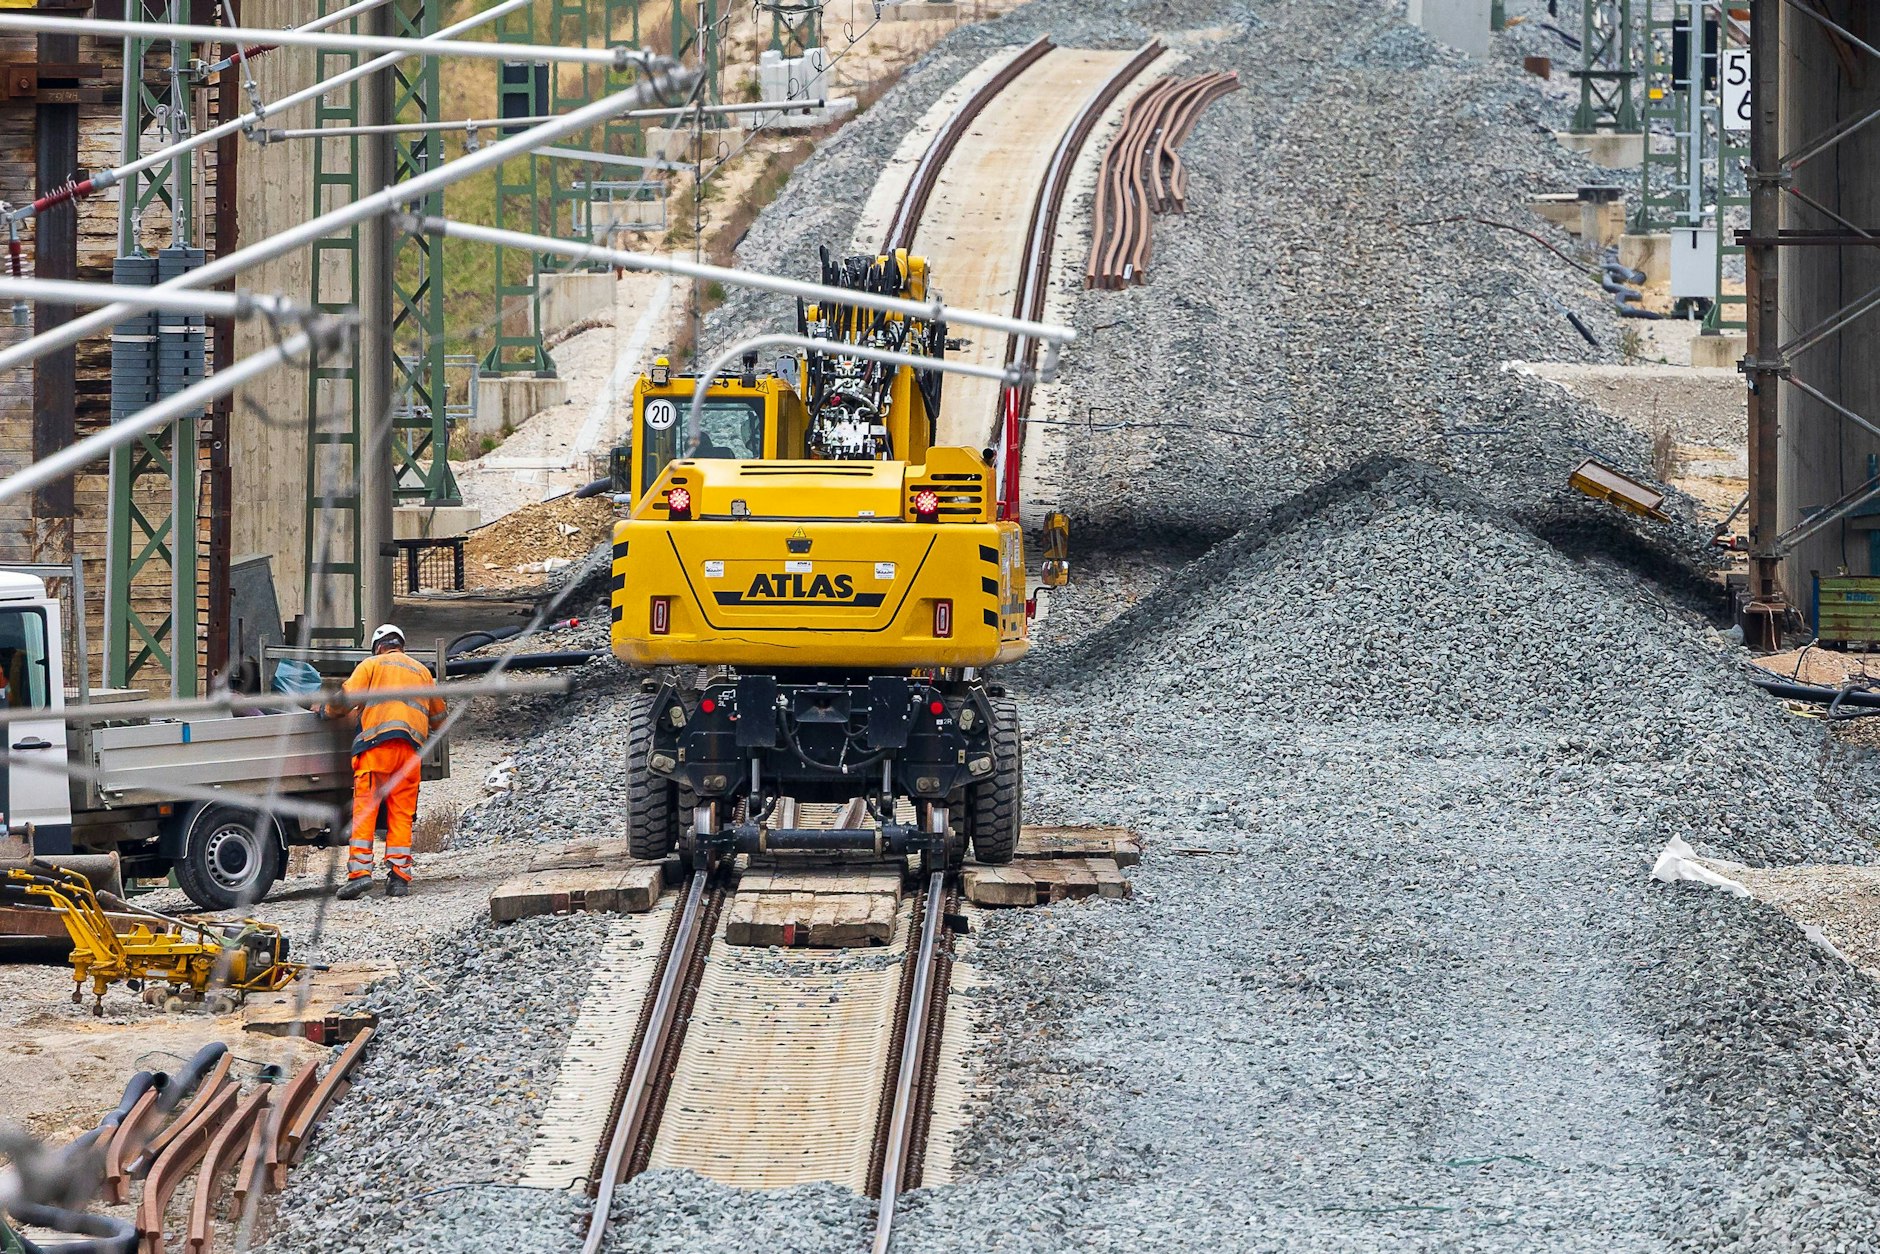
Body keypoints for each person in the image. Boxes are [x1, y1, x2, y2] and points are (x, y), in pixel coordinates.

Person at [324, 625, 444, 900]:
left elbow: (344, 700)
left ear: (378, 646)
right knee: (400, 815)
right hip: (409, 754)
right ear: (401, 645)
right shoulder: (422, 672)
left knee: (365, 811)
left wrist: (325, 710)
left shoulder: (371, 665)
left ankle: (360, 875)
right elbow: (439, 717)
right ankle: (399, 880)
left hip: (375, 750)